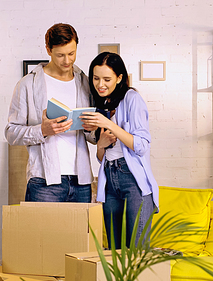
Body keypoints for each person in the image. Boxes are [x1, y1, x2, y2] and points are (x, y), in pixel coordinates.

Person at [5, 23, 96, 203]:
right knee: (41, 232)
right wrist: (42, 130)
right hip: (43, 181)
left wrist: (91, 128)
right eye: (60, 55)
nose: (67, 61)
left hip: (81, 180)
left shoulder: (85, 83)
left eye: (72, 53)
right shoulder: (27, 84)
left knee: (79, 233)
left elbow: (93, 136)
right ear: (48, 50)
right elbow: (11, 133)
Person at [81, 52, 159, 248]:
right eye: (96, 78)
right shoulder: (103, 104)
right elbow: (102, 157)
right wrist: (101, 144)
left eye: (107, 79)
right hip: (109, 178)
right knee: (115, 250)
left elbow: (141, 146)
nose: (100, 84)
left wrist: (109, 124)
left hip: (132, 180)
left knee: (137, 249)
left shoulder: (132, 99)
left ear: (119, 78)